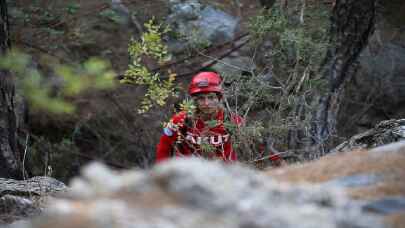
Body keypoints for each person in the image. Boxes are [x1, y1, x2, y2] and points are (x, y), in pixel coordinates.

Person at [155, 71, 243, 163]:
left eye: (211, 97)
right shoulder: (181, 120)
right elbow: (164, 146)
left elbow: (250, 148)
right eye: (201, 98)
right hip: (189, 173)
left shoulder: (233, 121)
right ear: (195, 100)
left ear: (219, 98)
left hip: (224, 174)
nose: (207, 103)